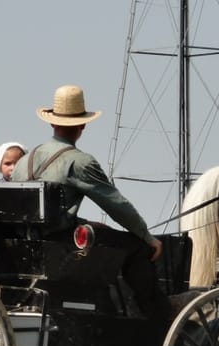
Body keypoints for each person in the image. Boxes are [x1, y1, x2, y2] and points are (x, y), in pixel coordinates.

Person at [11, 84, 172, 329]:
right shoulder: (79, 162)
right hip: (61, 248)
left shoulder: (24, 161)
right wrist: (147, 237)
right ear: (83, 125)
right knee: (137, 248)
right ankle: (157, 322)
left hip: (25, 247)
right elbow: (116, 205)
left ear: (51, 123)